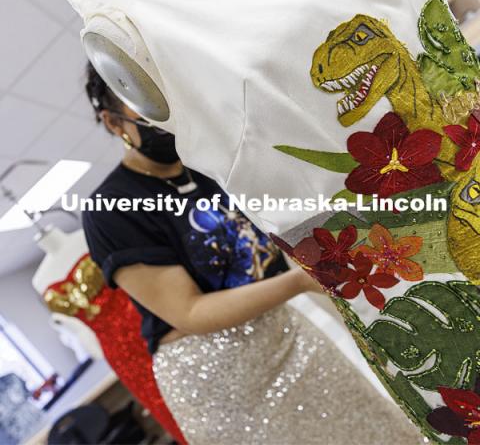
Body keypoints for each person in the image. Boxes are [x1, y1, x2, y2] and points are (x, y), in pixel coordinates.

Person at [82, 63, 423, 445]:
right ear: (115, 124)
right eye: (145, 110)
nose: (164, 120)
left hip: (284, 336)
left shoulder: (207, 166)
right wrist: (298, 280)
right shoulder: (113, 208)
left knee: (378, 429)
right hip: (215, 380)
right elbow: (190, 312)